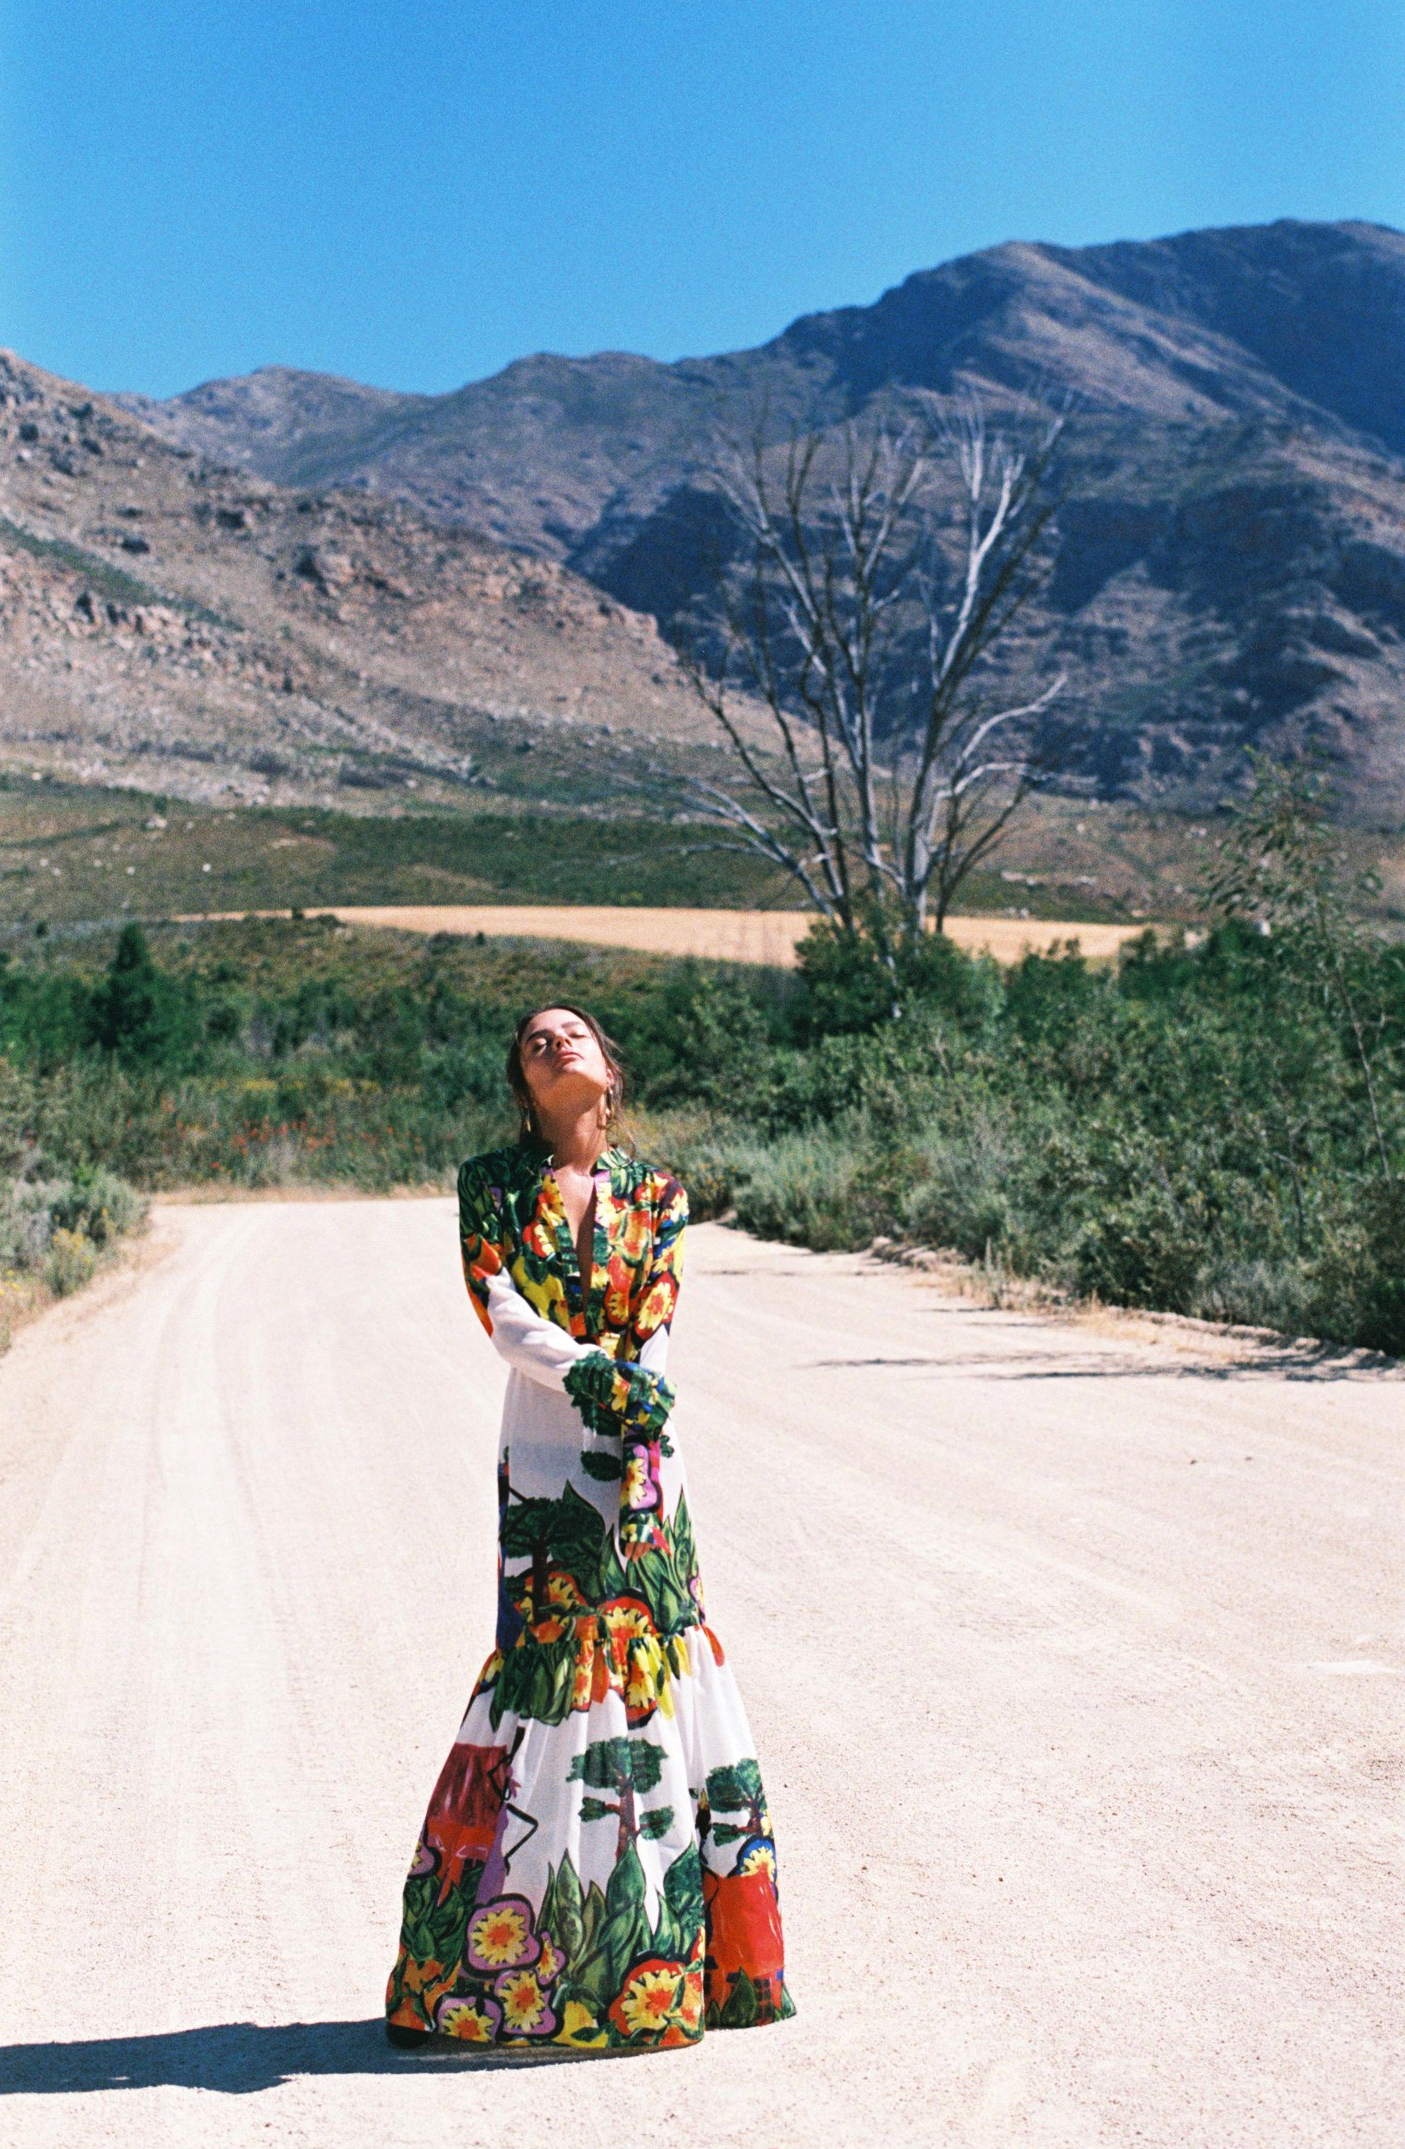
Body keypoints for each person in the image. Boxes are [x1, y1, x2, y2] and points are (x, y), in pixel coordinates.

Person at [386, 1002, 794, 2052]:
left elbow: (654, 1320)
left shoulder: (659, 1195)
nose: (553, 1042)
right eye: (534, 1040)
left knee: (656, 1663)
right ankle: (491, 1971)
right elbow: (502, 1315)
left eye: (572, 1033)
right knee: (546, 1676)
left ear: (609, 1071)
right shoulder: (490, 1185)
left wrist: (637, 1409)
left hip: (648, 1464)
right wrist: (605, 1383)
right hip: (543, 1460)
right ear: (522, 1087)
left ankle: (681, 1964)